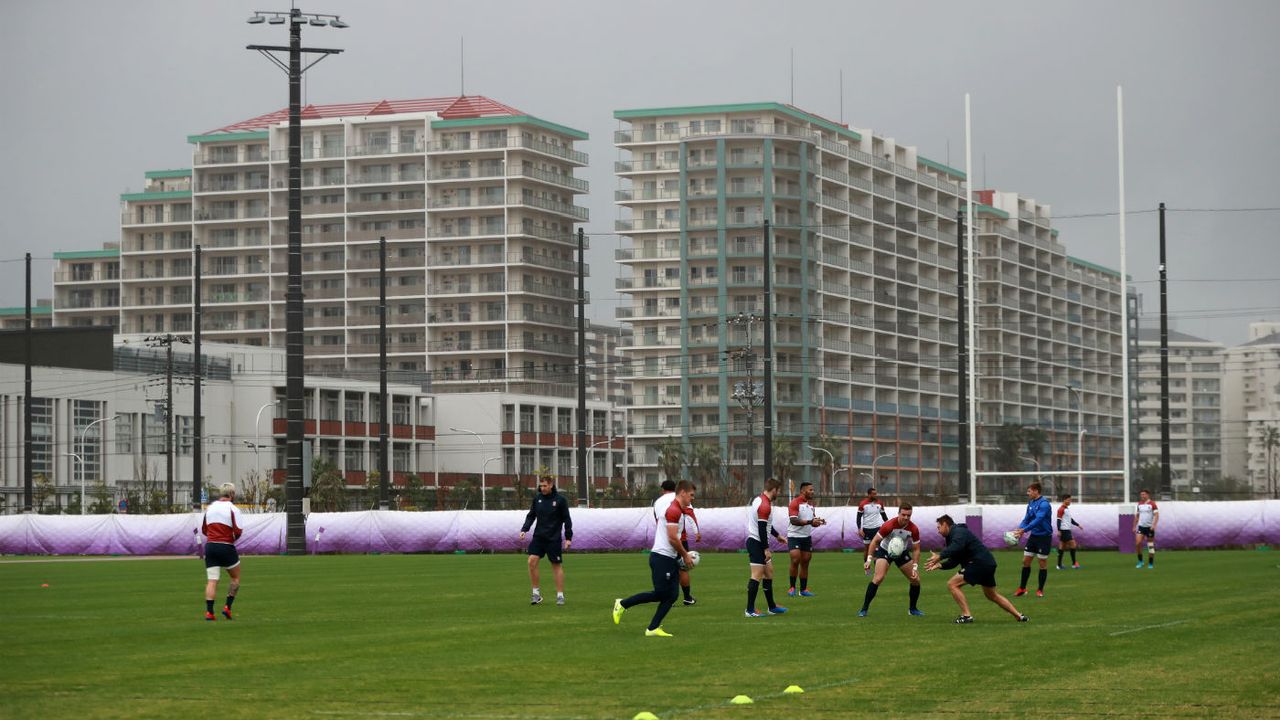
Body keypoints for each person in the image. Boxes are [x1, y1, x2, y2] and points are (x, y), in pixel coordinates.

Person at [613, 481, 697, 637]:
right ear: (683, 493)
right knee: (661, 594)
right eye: (691, 495)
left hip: (668, 557)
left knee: (672, 595)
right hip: (661, 557)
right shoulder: (673, 510)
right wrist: (685, 555)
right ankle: (622, 604)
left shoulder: (678, 509)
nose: (692, 499)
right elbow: (672, 537)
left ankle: (653, 628)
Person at [925, 514, 1028, 624]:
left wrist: (939, 556)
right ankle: (1019, 616)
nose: (938, 531)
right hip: (987, 563)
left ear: (945, 524)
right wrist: (941, 565)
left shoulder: (958, 532)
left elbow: (957, 546)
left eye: (938, 527)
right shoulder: (954, 537)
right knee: (992, 595)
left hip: (979, 563)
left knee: (952, 584)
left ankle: (966, 616)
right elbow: (954, 560)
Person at [858, 503, 924, 617]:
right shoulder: (888, 525)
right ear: (898, 513)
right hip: (885, 551)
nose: (906, 518)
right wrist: (869, 560)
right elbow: (874, 542)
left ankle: (913, 609)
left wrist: (915, 567)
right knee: (878, 578)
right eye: (903, 515)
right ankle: (864, 609)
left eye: (909, 515)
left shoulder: (913, 528)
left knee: (916, 579)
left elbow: (916, 549)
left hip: (901, 553)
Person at [519, 476, 573, 605]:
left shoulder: (560, 500)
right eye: (540, 486)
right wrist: (524, 529)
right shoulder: (537, 499)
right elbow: (531, 515)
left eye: (544, 486)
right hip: (539, 537)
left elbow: (567, 519)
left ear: (551, 485)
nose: (542, 488)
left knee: (556, 565)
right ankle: (536, 594)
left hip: (553, 539)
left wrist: (568, 538)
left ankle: (560, 596)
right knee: (531, 561)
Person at [744, 478, 789, 617]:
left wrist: (777, 535)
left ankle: (771, 607)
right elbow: (762, 528)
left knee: (769, 572)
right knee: (756, 575)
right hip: (756, 543)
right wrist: (766, 549)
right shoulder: (765, 505)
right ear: (774, 490)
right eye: (779, 491)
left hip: (758, 541)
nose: (779, 493)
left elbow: (765, 524)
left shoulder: (759, 499)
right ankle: (750, 610)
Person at [653, 479, 700, 605]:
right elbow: (690, 514)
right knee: (682, 568)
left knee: (668, 568)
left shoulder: (658, 502)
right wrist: (697, 532)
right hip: (679, 539)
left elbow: (658, 522)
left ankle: (668, 598)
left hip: (663, 542)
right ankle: (687, 597)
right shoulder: (680, 499)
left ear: (663, 490)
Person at [201, 482, 243, 621]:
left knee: (212, 581)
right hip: (225, 546)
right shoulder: (233, 509)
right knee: (235, 578)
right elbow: (238, 531)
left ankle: (209, 612)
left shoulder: (210, 508)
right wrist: (230, 539)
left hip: (210, 546)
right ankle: (227, 607)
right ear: (231, 494)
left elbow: (204, 530)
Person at [1011, 482, 1052, 598]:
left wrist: (1024, 530)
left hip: (1044, 537)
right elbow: (1027, 519)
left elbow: (1038, 520)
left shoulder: (1044, 504)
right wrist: (1020, 529)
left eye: (1029, 491)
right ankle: (1022, 588)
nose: (1027, 493)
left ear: (1036, 491)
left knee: (1042, 562)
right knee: (1025, 561)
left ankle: (1040, 590)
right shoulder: (1031, 503)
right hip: (1034, 536)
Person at [787, 482, 826, 597]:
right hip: (794, 536)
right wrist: (810, 522)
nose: (812, 492)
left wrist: (818, 522)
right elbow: (793, 520)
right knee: (795, 560)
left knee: (805, 562)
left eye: (813, 490)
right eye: (810, 490)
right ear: (802, 491)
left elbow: (812, 521)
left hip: (806, 537)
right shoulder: (795, 503)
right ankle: (792, 587)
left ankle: (803, 590)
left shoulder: (811, 505)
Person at [1056, 493, 1083, 570]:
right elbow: (1058, 520)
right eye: (1069, 500)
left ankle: (1059, 565)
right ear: (1064, 500)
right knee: (1073, 544)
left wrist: (1078, 525)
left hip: (1066, 530)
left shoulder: (1066, 509)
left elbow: (1070, 520)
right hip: (1064, 530)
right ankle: (1074, 564)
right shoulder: (1061, 509)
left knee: (1062, 546)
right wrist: (1059, 530)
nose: (1070, 501)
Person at [1133, 488, 1160, 569]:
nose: (1142, 496)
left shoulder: (1152, 504)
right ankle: (1140, 561)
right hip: (1141, 527)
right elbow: (1137, 516)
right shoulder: (1139, 504)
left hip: (1149, 528)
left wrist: (1154, 525)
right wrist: (1134, 526)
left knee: (1150, 545)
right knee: (1137, 543)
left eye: (1144, 494)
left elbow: (1156, 515)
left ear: (1148, 495)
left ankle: (1151, 563)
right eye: (1141, 494)